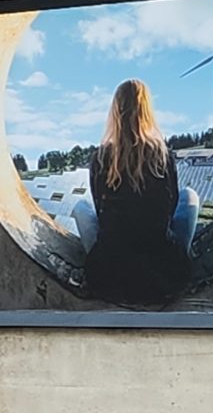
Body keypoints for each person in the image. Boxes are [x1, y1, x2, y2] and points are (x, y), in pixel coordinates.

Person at [73, 80, 198, 304]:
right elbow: (171, 208)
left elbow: (101, 213)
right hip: (164, 268)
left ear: (115, 111)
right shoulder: (162, 154)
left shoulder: (101, 157)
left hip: (109, 271)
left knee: (81, 207)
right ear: (147, 111)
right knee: (190, 196)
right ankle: (185, 254)